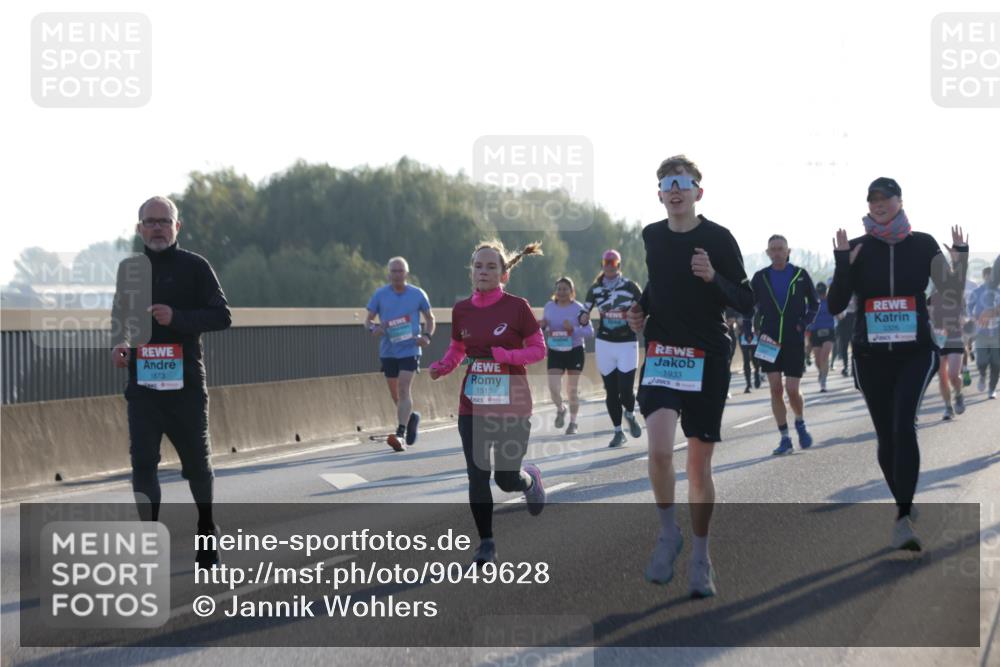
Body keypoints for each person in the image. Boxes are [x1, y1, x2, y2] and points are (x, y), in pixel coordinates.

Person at [628, 155, 755, 598]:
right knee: (660, 449)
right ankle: (668, 533)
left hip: (708, 356)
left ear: (698, 192)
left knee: (698, 467)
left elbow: (745, 299)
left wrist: (712, 277)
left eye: (683, 182)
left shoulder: (718, 238)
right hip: (663, 352)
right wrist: (641, 308)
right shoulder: (652, 236)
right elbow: (658, 283)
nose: (675, 189)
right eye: (667, 183)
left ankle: (701, 555)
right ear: (659, 194)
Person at [828, 177, 968, 551]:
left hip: (915, 352)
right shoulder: (856, 247)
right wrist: (844, 264)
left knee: (904, 424)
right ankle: (902, 503)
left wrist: (961, 258)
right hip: (870, 355)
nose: (878, 204)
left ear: (899, 201)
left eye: (885, 198)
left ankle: (903, 517)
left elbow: (951, 296)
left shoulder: (922, 244)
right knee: (886, 435)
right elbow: (834, 306)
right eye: (872, 200)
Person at [111, 195, 232, 569]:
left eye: (165, 221)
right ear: (139, 228)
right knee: (143, 464)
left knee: (197, 465)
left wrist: (176, 316)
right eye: (151, 221)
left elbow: (222, 316)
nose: (158, 227)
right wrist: (119, 345)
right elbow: (121, 316)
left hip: (186, 387)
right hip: (143, 386)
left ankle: (207, 529)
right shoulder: (130, 269)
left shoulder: (195, 267)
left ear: (177, 227)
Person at [428, 240, 547, 567]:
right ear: (471, 271)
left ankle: (529, 479)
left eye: (491, 266)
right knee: (477, 475)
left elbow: (539, 350)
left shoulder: (517, 307)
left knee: (505, 479)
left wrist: (507, 356)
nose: (483, 271)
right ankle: (486, 543)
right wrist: (444, 365)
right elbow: (457, 350)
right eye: (478, 266)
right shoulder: (461, 309)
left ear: (503, 274)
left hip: (514, 403)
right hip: (473, 403)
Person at [749, 235, 819, 454]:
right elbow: (749, 305)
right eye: (773, 249)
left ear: (788, 251)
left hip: (793, 339)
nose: (777, 252)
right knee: (775, 389)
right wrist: (750, 326)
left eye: (781, 248)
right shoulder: (760, 277)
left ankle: (799, 421)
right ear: (768, 253)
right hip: (768, 340)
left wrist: (803, 324)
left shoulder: (800, 275)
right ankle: (785, 438)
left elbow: (814, 304)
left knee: (792, 390)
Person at [365, 257, 435, 450]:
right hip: (388, 350)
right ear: (388, 274)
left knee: (404, 388)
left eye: (400, 271)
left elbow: (430, 318)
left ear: (406, 273)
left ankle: (400, 432)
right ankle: (411, 417)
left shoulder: (417, 294)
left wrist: (427, 336)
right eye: (393, 271)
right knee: (396, 394)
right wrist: (374, 329)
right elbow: (368, 321)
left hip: (410, 348)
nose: (397, 275)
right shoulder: (380, 295)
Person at [579, 250, 644, 448]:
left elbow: (644, 306)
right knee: (611, 390)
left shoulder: (630, 286)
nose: (609, 265)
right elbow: (585, 308)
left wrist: (640, 318)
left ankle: (631, 415)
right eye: (606, 261)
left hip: (627, 343)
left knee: (625, 389)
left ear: (618, 264)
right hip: (605, 343)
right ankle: (618, 431)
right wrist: (582, 317)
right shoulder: (596, 288)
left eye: (613, 262)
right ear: (602, 264)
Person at [540, 277, 594, 434]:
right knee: (553, 387)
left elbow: (590, 332)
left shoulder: (579, 308)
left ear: (572, 291)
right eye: (559, 289)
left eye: (565, 289)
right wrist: (543, 325)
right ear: (555, 291)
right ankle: (560, 408)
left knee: (572, 390)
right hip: (556, 350)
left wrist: (573, 330)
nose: (562, 292)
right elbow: (546, 325)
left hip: (574, 351)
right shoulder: (549, 307)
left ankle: (573, 423)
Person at [928, 260, 969, 420]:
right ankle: (947, 407)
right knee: (942, 375)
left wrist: (961, 320)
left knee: (952, 374)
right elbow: (926, 316)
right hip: (938, 340)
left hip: (954, 337)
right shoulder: (931, 298)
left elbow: (963, 315)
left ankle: (958, 394)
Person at [969, 262, 1000, 399]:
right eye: (988, 276)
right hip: (982, 331)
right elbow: (969, 308)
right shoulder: (977, 292)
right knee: (981, 361)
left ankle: (992, 389)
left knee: (996, 363)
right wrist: (973, 317)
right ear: (984, 277)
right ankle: (982, 375)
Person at [807, 282, 837, 392]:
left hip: (829, 331)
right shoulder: (813, 302)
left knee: (824, 356)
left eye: (823, 293)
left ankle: (823, 382)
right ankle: (822, 372)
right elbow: (807, 314)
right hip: (815, 332)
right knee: (818, 360)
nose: (821, 295)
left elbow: (838, 313)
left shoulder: (830, 301)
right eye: (819, 293)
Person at [737, 312, 762, 393]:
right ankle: (748, 384)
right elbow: (735, 316)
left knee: (755, 358)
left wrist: (758, 328)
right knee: (746, 360)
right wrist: (737, 320)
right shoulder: (739, 305)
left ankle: (757, 373)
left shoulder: (756, 303)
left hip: (755, 335)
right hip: (743, 335)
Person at [834, 293, 857, 377]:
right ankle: (845, 367)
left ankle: (854, 368)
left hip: (853, 318)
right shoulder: (841, 292)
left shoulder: (855, 293)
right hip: (843, 320)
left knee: (854, 345)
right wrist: (838, 315)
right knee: (844, 346)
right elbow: (835, 307)